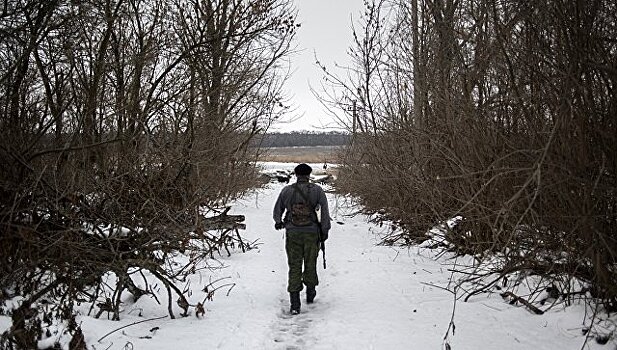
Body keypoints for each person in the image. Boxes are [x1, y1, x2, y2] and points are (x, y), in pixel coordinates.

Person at [273, 163, 331, 315]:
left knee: (294, 265)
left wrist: (279, 222)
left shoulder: (287, 191)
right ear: (309, 174)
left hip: (293, 233)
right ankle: (310, 293)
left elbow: (277, 210)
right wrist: (324, 230)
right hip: (312, 233)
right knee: (310, 262)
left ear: (296, 174)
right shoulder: (317, 191)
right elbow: (324, 212)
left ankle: (295, 303)